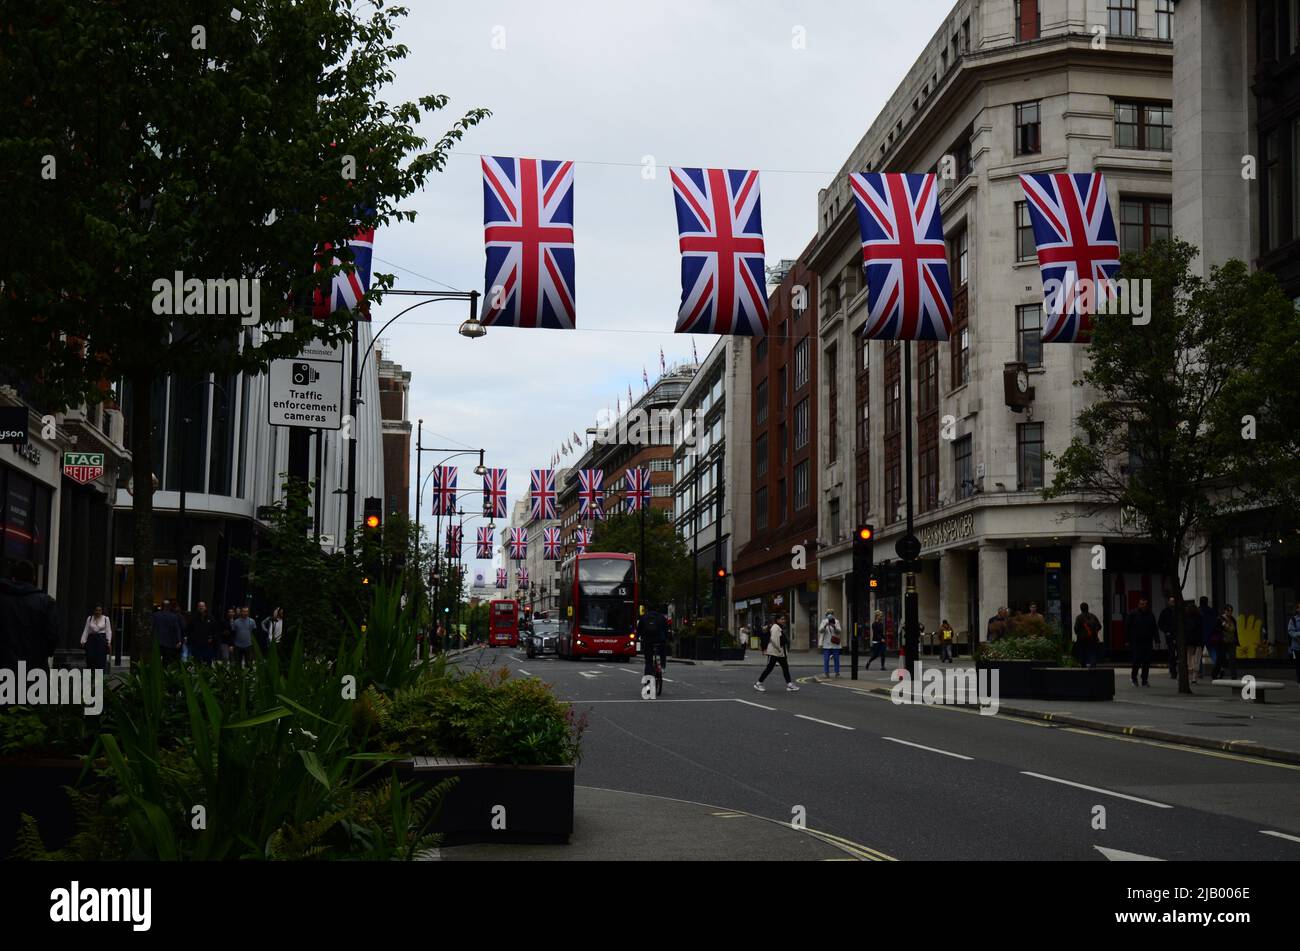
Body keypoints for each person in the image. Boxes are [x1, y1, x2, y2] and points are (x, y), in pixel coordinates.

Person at [0, 561, 60, 672]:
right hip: (34, 669)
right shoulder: (45, 602)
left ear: (13, 577)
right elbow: (52, 636)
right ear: (33, 578)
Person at [755, 614, 798, 692]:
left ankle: (789, 684)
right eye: (782, 619)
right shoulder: (775, 627)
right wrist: (779, 649)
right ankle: (758, 683)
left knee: (785, 668)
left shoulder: (779, 627)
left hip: (780, 652)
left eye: (784, 619)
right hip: (775, 652)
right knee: (769, 668)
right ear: (777, 620)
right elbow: (775, 640)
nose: (783, 621)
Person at [1124, 597, 1157, 686]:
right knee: (1137, 659)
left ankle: (1144, 679)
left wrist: (1157, 640)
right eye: (1142, 604)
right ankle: (1134, 677)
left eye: (1145, 604)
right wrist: (1127, 640)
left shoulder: (1150, 614)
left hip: (1147, 640)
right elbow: (1127, 627)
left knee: (1147, 661)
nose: (1144, 606)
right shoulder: (1133, 614)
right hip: (1136, 641)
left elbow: (1154, 628)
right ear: (1139, 604)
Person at [636, 604, 670, 690]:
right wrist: (667, 638)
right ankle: (662, 667)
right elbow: (666, 630)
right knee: (662, 651)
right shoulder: (662, 617)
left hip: (648, 641)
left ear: (647, 609)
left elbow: (639, 630)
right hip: (660, 640)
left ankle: (647, 684)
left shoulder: (644, 617)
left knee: (648, 662)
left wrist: (637, 638)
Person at [79, 604, 112, 675]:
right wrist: (83, 641)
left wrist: (109, 642)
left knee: (100, 659)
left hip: (101, 640)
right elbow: (86, 629)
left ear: (102, 611)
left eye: (99, 610)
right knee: (90, 658)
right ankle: (90, 677)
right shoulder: (90, 618)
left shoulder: (106, 619)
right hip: (91, 640)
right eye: (96, 610)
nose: (98, 612)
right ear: (94, 611)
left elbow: (108, 631)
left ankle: (99, 679)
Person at [1212, 605, 1239, 680]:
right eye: (1228, 610)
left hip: (1231, 641)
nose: (1229, 612)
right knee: (1220, 658)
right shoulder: (1220, 619)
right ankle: (1215, 674)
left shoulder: (1233, 619)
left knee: (1232, 658)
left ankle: (1234, 677)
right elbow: (1216, 630)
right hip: (1222, 641)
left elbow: (1235, 630)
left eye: (1231, 611)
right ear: (1225, 611)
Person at [1074, 602, 1102, 669]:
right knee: (1092, 652)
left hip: (1082, 639)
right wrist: (1095, 632)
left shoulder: (1079, 617)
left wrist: (1080, 633)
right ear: (1088, 608)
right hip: (1092, 638)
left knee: (1082, 652)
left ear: (1081, 609)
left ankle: (1083, 666)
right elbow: (1099, 626)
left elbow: (1076, 629)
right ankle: (1093, 665)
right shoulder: (1093, 616)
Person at [1183, 600, 1204, 684]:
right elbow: (1201, 630)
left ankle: (1189, 676)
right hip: (1198, 641)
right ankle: (1194, 678)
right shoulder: (1200, 617)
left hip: (1189, 641)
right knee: (1197, 659)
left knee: (1189, 659)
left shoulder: (1185, 617)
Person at [817, 610, 843, 678]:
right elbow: (820, 630)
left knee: (836, 659)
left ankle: (837, 672)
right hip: (827, 644)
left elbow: (839, 631)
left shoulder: (836, 621)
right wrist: (825, 625)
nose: (830, 615)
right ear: (826, 615)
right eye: (829, 614)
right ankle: (826, 672)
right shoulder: (824, 621)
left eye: (831, 614)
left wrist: (834, 626)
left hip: (835, 644)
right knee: (826, 659)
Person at [1157, 596, 1178, 678]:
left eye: (1174, 601)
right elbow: (1160, 623)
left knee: (1178, 654)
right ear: (1168, 602)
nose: (1173, 602)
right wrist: (1166, 631)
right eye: (1171, 601)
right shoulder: (1165, 612)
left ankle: (1175, 670)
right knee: (1172, 654)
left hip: (1178, 636)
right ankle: (1173, 672)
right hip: (1170, 635)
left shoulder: (1178, 611)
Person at [1287, 603, 1300, 684]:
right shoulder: (1293, 620)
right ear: (1297, 610)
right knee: (1298, 664)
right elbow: (1290, 631)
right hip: (1296, 647)